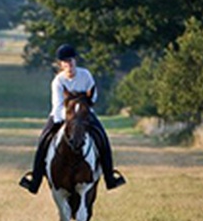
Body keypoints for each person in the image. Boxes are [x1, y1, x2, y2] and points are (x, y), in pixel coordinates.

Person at [19, 44, 126, 194]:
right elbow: (57, 106)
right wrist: (72, 118)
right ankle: (35, 180)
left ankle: (110, 177)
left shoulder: (85, 75)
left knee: (103, 137)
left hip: (84, 113)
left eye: (71, 60)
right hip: (61, 115)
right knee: (43, 140)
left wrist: (82, 111)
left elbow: (93, 96)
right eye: (65, 62)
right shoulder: (58, 82)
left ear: (75, 61)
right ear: (61, 64)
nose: (69, 64)